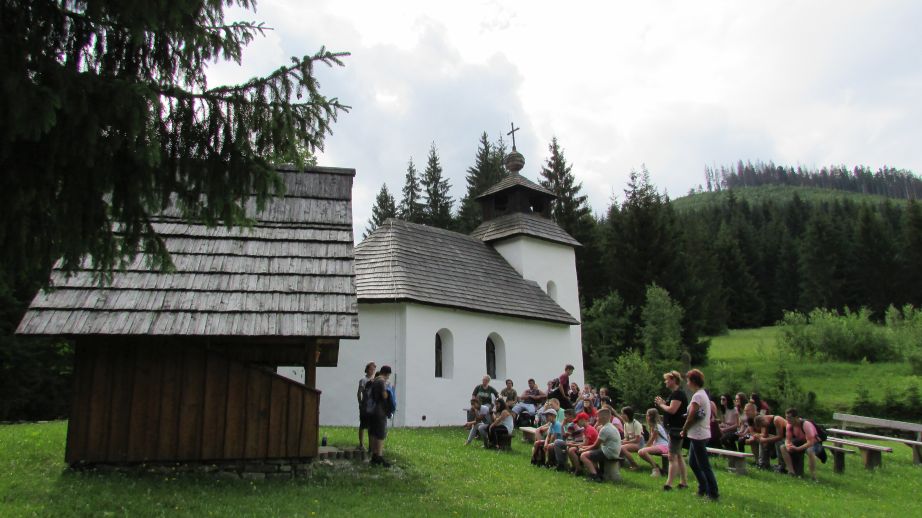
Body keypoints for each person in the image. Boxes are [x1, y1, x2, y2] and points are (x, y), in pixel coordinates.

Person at [680, 369, 719, 501]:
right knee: (693, 462)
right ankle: (702, 488)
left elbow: (691, 417)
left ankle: (713, 493)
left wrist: (684, 429)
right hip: (699, 434)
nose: (687, 384)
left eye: (688, 381)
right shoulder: (702, 394)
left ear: (693, 381)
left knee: (704, 465)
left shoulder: (697, 396)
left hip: (698, 435)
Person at [654, 370, 688, 491]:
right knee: (678, 455)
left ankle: (669, 484)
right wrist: (664, 403)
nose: (665, 382)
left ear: (674, 380)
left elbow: (672, 410)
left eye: (667, 380)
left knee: (671, 456)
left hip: (676, 429)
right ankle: (683, 482)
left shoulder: (678, 394)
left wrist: (661, 405)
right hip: (675, 428)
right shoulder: (675, 394)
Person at [780, 407, 825, 480]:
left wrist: (797, 449)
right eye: (786, 417)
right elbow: (787, 439)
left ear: (796, 417)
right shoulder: (789, 425)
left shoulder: (806, 424)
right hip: (801, 442)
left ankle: (813, 476)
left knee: (810, 451)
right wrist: (788, 446)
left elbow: (811, 442)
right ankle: (791, 472)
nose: (787, 419)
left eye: (790, 418)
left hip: (815, 443)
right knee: (783, 447)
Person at [579, 408, 622, 482]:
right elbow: (597, 445)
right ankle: (599, 474)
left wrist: (583, 449)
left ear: (603, 417)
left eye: (598, 416)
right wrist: (585, 447)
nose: (596, 418)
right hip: (613, 451)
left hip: (609, 453)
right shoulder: (610, 426)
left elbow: (595, 445)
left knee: (583, 456)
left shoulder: (604, 429)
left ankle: (594, 476)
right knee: (592, 453)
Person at [368, 365, 393, 467]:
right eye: (388, 375)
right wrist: (389, 391)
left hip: (373, 410)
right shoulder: (382, 381)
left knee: (374, 433)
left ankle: (374, 455)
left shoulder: (375, 380)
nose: (388, 377)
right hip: (380, 411)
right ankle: (379, 456)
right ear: (387, 373)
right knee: (380, 434)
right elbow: (384, 395)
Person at [638, 408, 670, 477]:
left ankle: (656, 468)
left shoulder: (656, 427)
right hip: (659, 446)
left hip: (664, 447)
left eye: (647, 415)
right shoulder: (653, 426)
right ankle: (656, 467)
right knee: (641, 451)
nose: (646, 417)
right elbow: (651, 441)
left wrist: (644, 448)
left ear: (650, 417)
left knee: (642, 451)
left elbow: (651, 440)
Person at [357, 361, 376, 451]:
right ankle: (361, 444)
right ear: (367, 369)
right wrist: (360, 403)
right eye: (371, 369)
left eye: (374, 369)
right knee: (363, 425)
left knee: (371, 426)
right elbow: (359, 393)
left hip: (372, 406)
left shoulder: (375, 380)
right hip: (364, 406)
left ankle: (371, 446)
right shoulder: (363, 380)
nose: (372, 371)